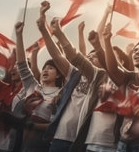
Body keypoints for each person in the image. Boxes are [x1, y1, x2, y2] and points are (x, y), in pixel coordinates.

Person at [45, 14, 120, 152]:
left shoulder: (109, 79)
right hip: (61, 137)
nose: (90, 56)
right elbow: (70, 56)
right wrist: (55, 33)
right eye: (89, 55)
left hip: (86, 140)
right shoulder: (77, 74)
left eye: (96, 56)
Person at [103, 22, 139, 152]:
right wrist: (106, 40)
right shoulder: (129, 77)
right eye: (135, 50)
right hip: (123, 143)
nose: (137, 52)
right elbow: (112, 68)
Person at [14, 21, 64, 152]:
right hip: (19, 138)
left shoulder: (61, 94)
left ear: (59, 75)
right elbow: (22, 65)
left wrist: (33, 125)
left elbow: (55, 125)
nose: (45, 70)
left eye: (51, 68)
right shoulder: (33, 87)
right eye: (44, 68)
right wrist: (19, 35)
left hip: (40, 142)